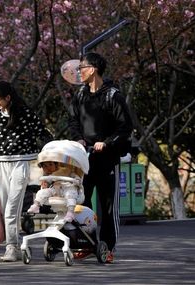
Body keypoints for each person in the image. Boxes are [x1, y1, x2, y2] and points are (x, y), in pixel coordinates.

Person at [67, 52, 133, 263]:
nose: (79, 72)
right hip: (84, 159)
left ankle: (107, 247)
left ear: (93, 69)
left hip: (107, 159)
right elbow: (73, 120)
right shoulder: (79, 95)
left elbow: (125, 127)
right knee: (82, 203)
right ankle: (88, 243)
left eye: (82, 68)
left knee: (108, 207)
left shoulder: (113, 95)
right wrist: (78, 139)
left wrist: (107, 142)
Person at [0, 81, 53, 262]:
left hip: (21, 163)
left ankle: (11, 247)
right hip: (0, 164)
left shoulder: (26, 114)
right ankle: (15, 246)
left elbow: (43, 133)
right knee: (4, 210)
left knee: (11, 209)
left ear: (8, 97)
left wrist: (52, 153)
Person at [27, 148, 85, 223]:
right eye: (45, 166)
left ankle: (70, 212)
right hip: (55, 190)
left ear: (56, 164)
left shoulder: (66, 170)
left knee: (70, 192)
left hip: (67, 188)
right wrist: (45, 184)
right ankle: (36, 205)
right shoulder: (50, 176)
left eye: (50, 165)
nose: (48, 168)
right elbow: (47, 183)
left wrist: (76, 180)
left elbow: (75, 177)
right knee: (42, 192)